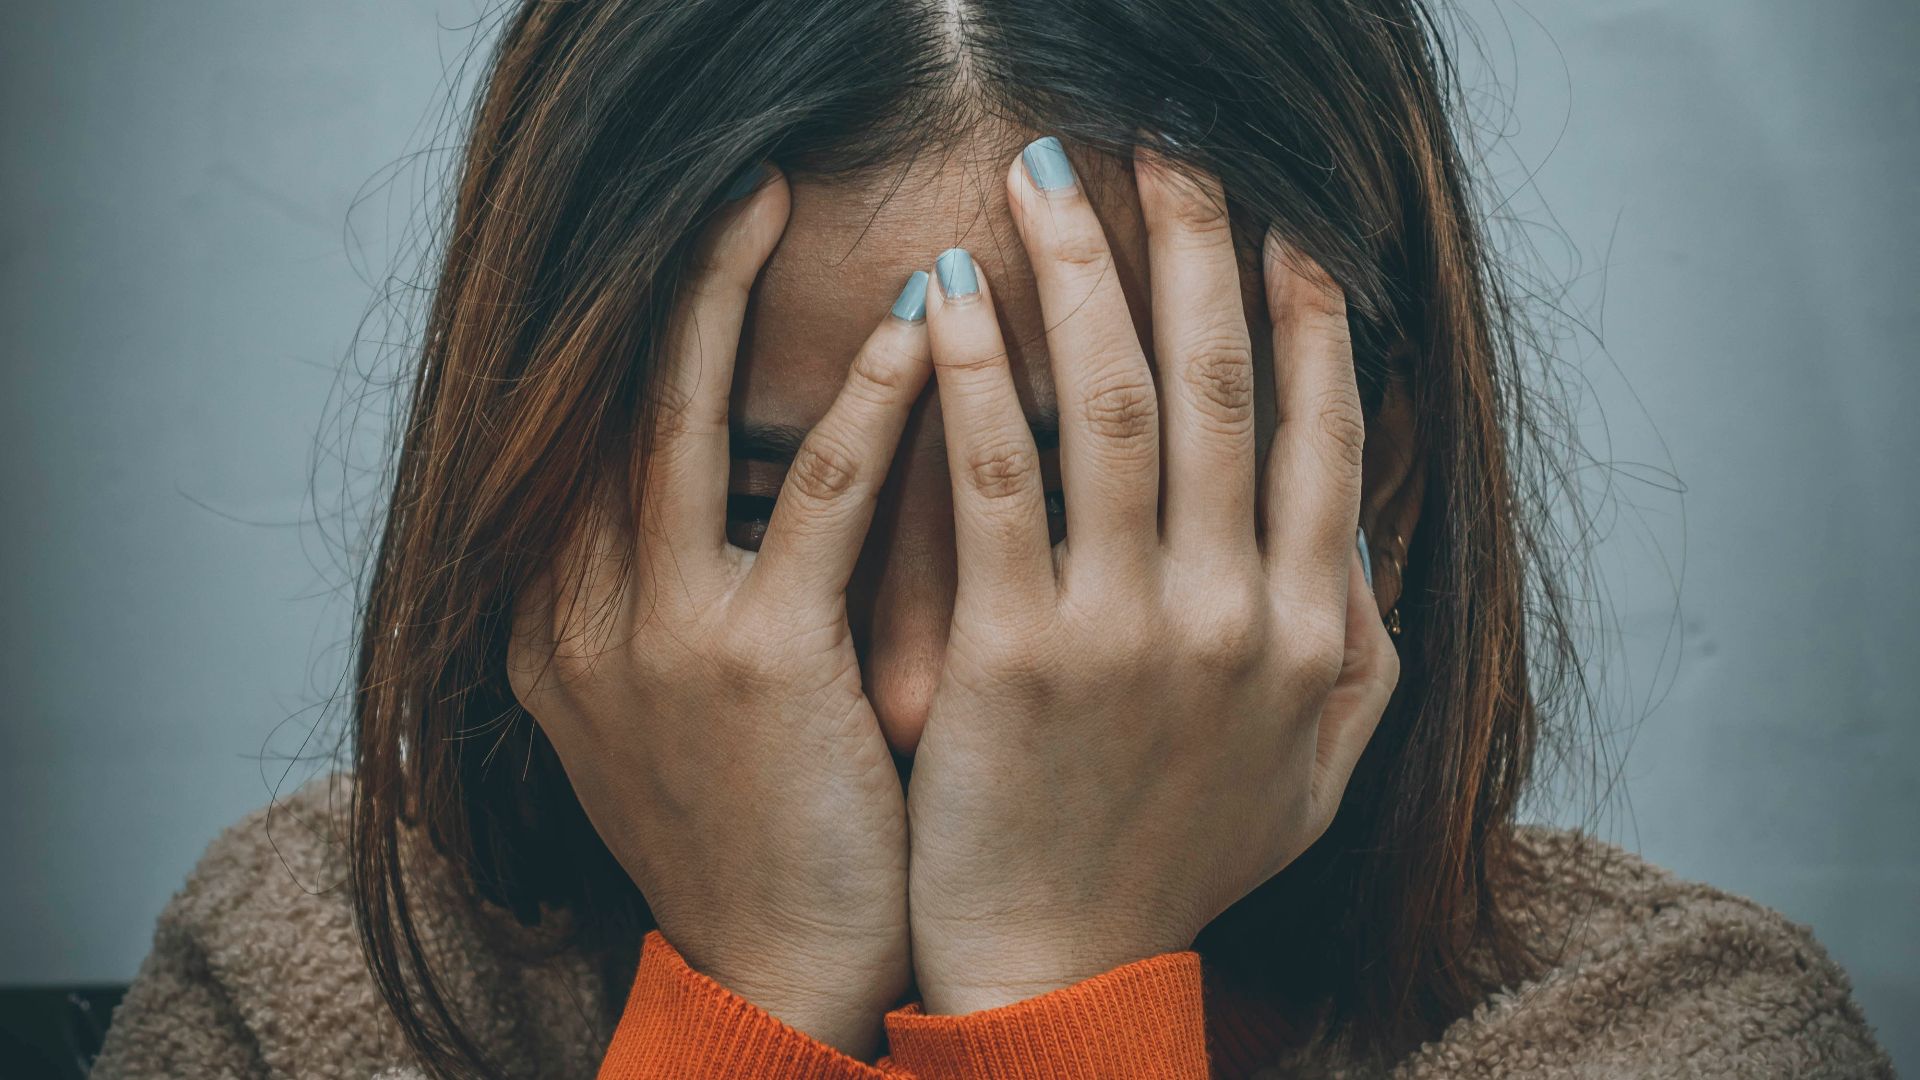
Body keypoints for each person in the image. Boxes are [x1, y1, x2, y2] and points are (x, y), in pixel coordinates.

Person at [92, 0, 1893, 1077]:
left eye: (1081, 522)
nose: (908, 684)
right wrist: (749, 1007)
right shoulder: (317, 985)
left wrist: (1056, 984)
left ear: (1376, 482)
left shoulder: (1674, 1034)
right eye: (759, 515)